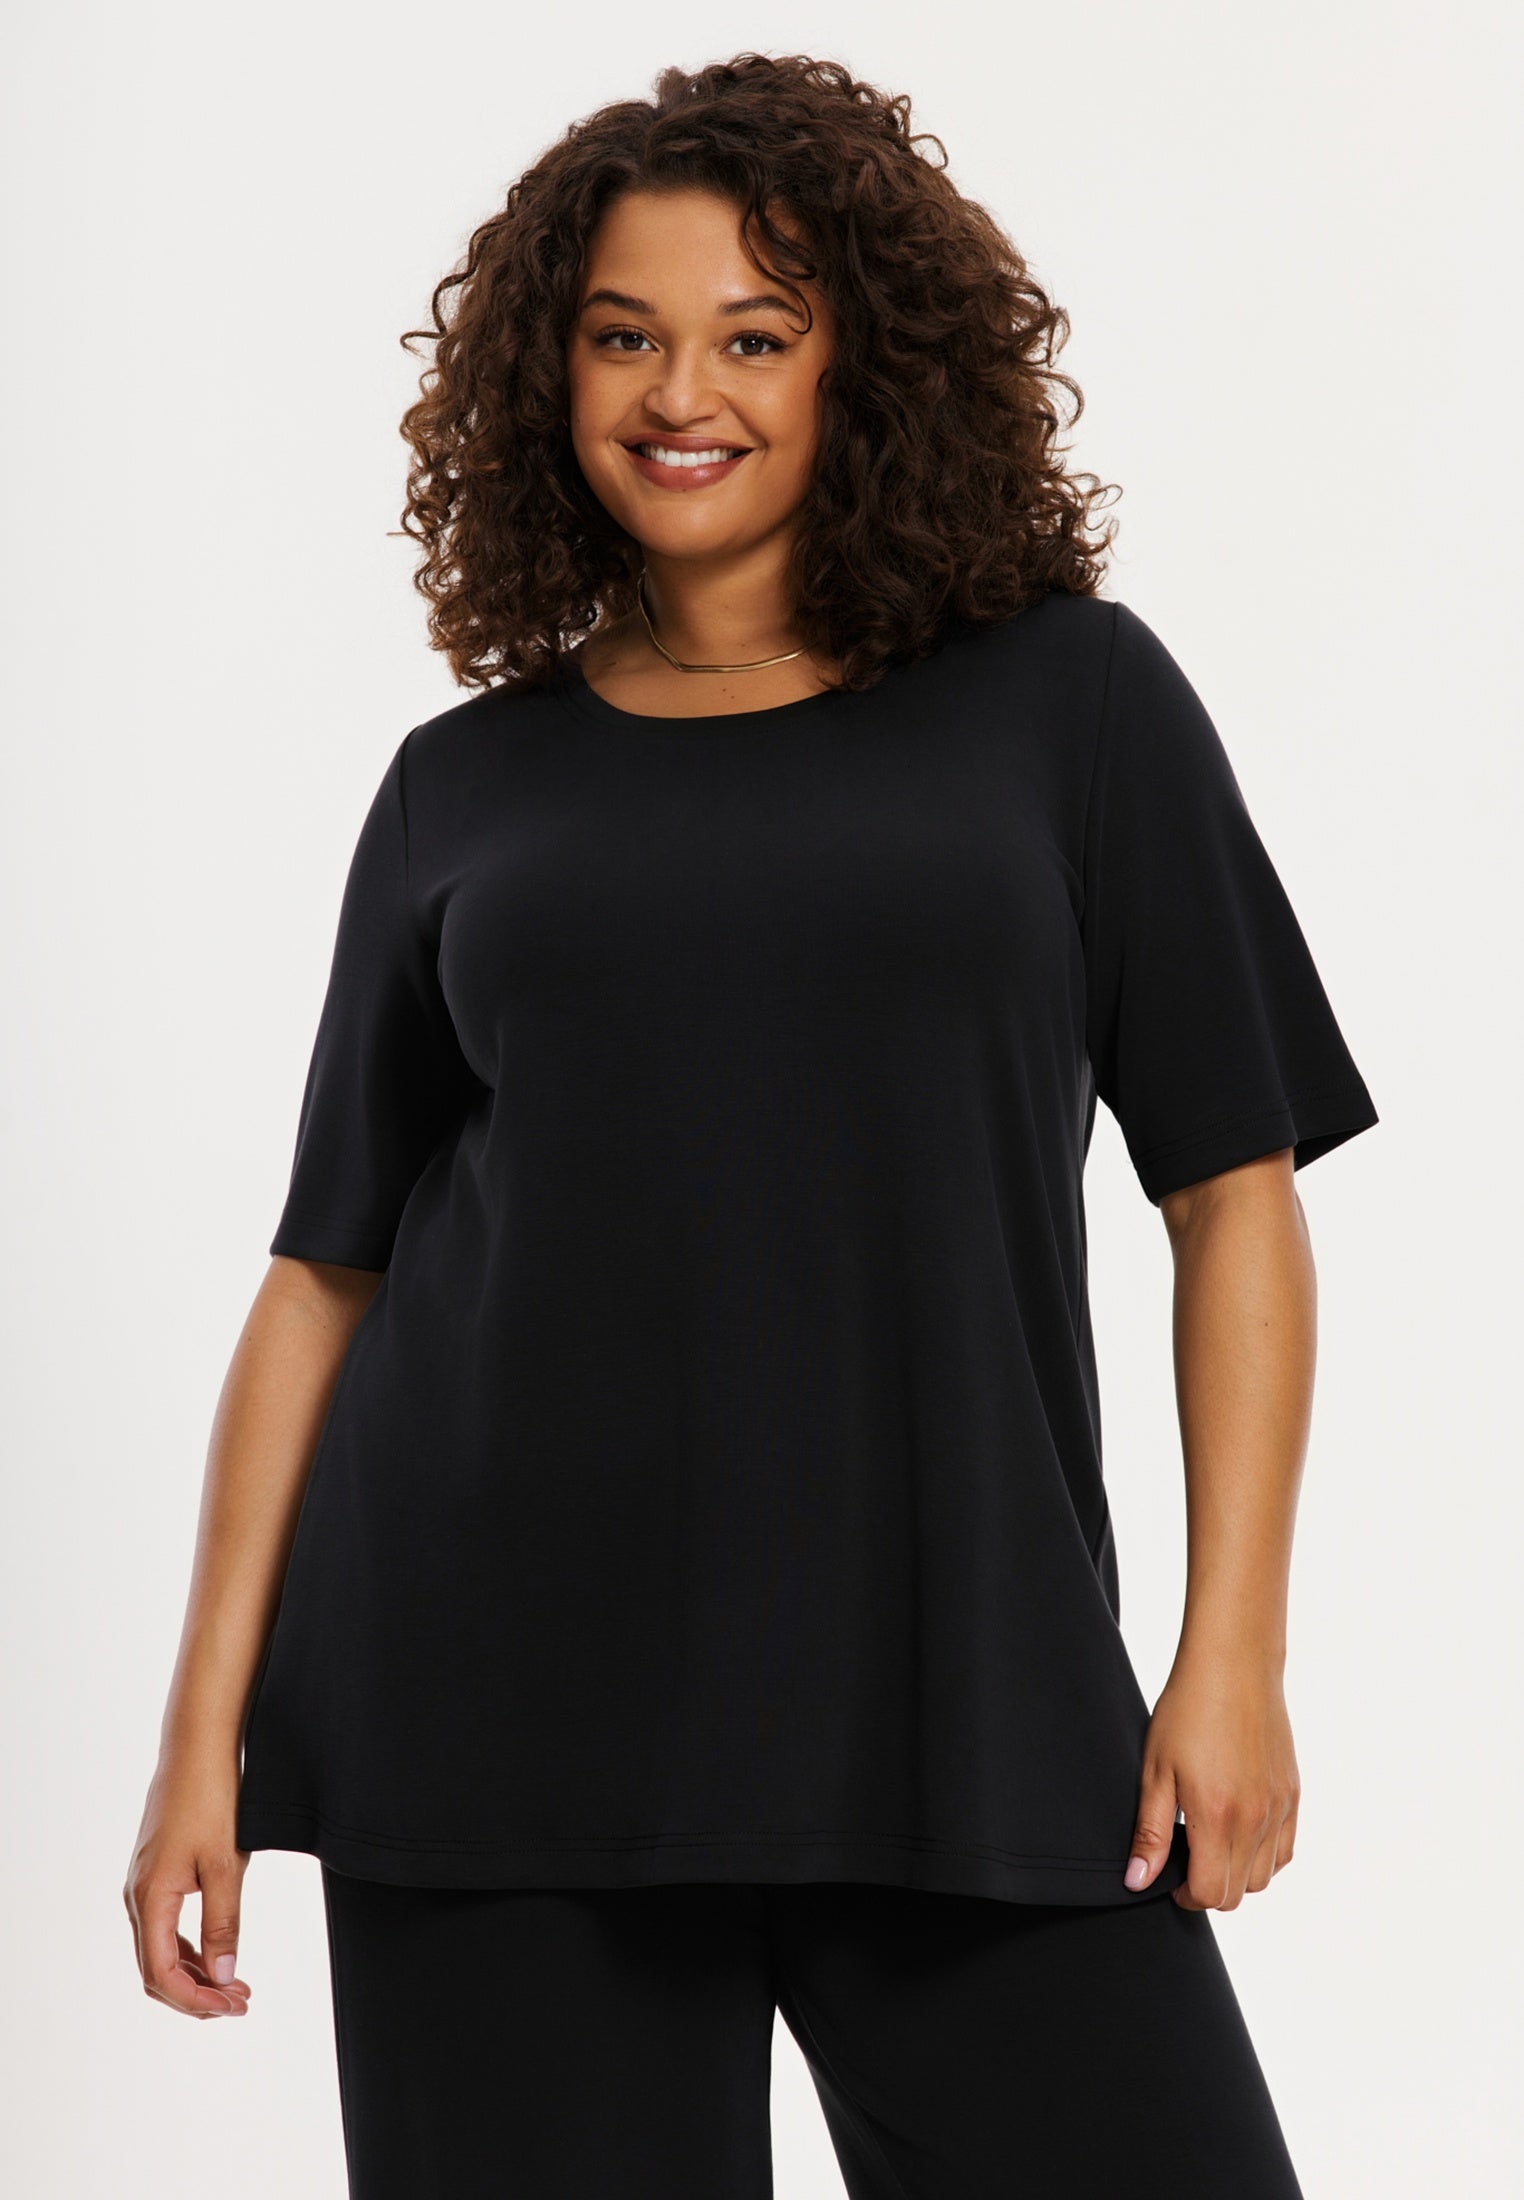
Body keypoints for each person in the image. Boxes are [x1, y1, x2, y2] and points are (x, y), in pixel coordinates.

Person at [123, 52, 1379, 2198]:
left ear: (859, 365)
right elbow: (327, 1276)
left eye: (753, 336)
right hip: (495, 1724)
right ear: (550, 373)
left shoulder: (1072, 702)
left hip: (963, 1700)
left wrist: (1230, 1654)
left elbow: (1232, 1192)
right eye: (624, 335)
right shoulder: (463, 786)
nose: (680, 392)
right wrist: (196, 1745)